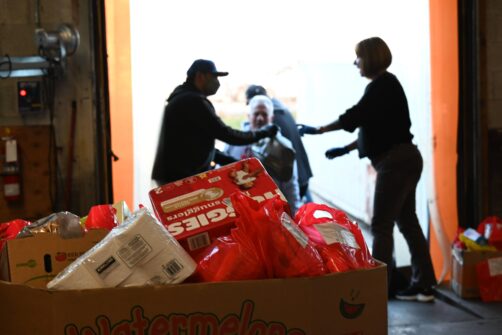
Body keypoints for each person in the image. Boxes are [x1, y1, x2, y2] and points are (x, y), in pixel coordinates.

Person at [299, 37, 437, 302]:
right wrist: (346, 149)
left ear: (370, 58)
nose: (355, 63)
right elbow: (373, 128)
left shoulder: (381, 86)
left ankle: (380, 289)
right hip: (406, 157)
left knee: (381, 225)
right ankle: (424, 284)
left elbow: (355, 116)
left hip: (395, 162)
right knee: (408, 223)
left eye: (358, 58)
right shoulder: (387, 86)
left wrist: (319, 130)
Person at [151, 59, 278, 186]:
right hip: (179, 180)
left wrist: (235, 162)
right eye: (214, 77)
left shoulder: (182, 97)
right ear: (200, 76)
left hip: (174, 176)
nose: (217, 83)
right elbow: (227, 134)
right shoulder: (193, 101)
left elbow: (198, 144)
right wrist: (264, 132)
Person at [224, 95, 302, 215]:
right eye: (256, 114)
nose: (260, 118)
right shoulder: (234, 142)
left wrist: (294, 214)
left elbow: (291, 185)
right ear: (249, 116)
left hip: (269, 211)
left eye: (264, 114)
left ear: (271, 118)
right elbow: (223, 174)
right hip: (238, 210)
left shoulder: (282, 147)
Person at [245, 85, 313, 202]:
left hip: (291, 174)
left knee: (295, 202)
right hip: (301, 171)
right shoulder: (282, 110)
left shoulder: (270, 123)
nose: (259, 118)